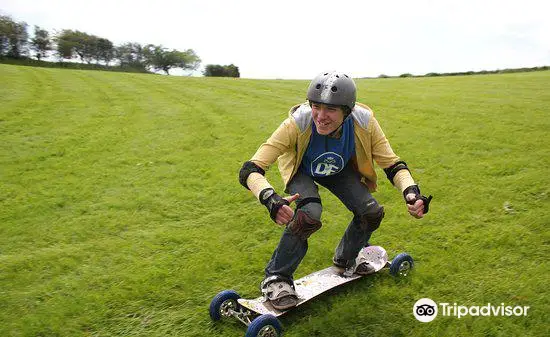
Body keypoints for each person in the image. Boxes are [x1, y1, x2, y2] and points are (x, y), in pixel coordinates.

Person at [238, 71, 432, 310]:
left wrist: (411, 192)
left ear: (347, 111)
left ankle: (347, 260)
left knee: (371, 212)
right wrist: (271, 199)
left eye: (330, 109)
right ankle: (277, 278)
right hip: (303, 170)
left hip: (339, 169)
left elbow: (393, 164)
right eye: (316, 106)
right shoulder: (297, 123)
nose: (320, 116)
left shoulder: (364, 122)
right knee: (309, 214)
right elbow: (250, 169)